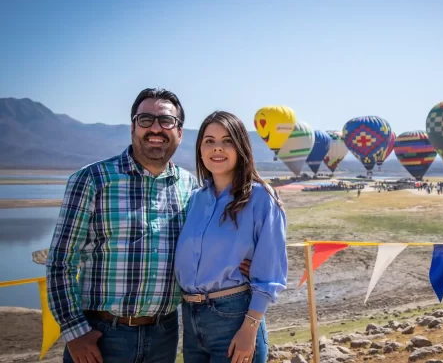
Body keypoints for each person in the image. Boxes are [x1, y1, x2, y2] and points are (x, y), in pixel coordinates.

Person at [46, 88, 252, 363]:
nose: (156, 128)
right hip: (101, 336)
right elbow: (61, 262)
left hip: (164, 335)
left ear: (179, 132)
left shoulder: (191, 188)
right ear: (132, 127)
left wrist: (243, 261)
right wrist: (74, 331)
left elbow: (205, 249)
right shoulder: (92, 180)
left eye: (166, 121)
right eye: (145, 119)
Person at [174, 111, 288, 363]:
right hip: (190, 320)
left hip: (234, 317)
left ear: (241, 148)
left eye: (227, 141)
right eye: (209, 141)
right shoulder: (194, 199)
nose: (217, 148)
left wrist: (249, 329)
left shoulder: (261, 198)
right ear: (200, 149)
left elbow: (271, 273)